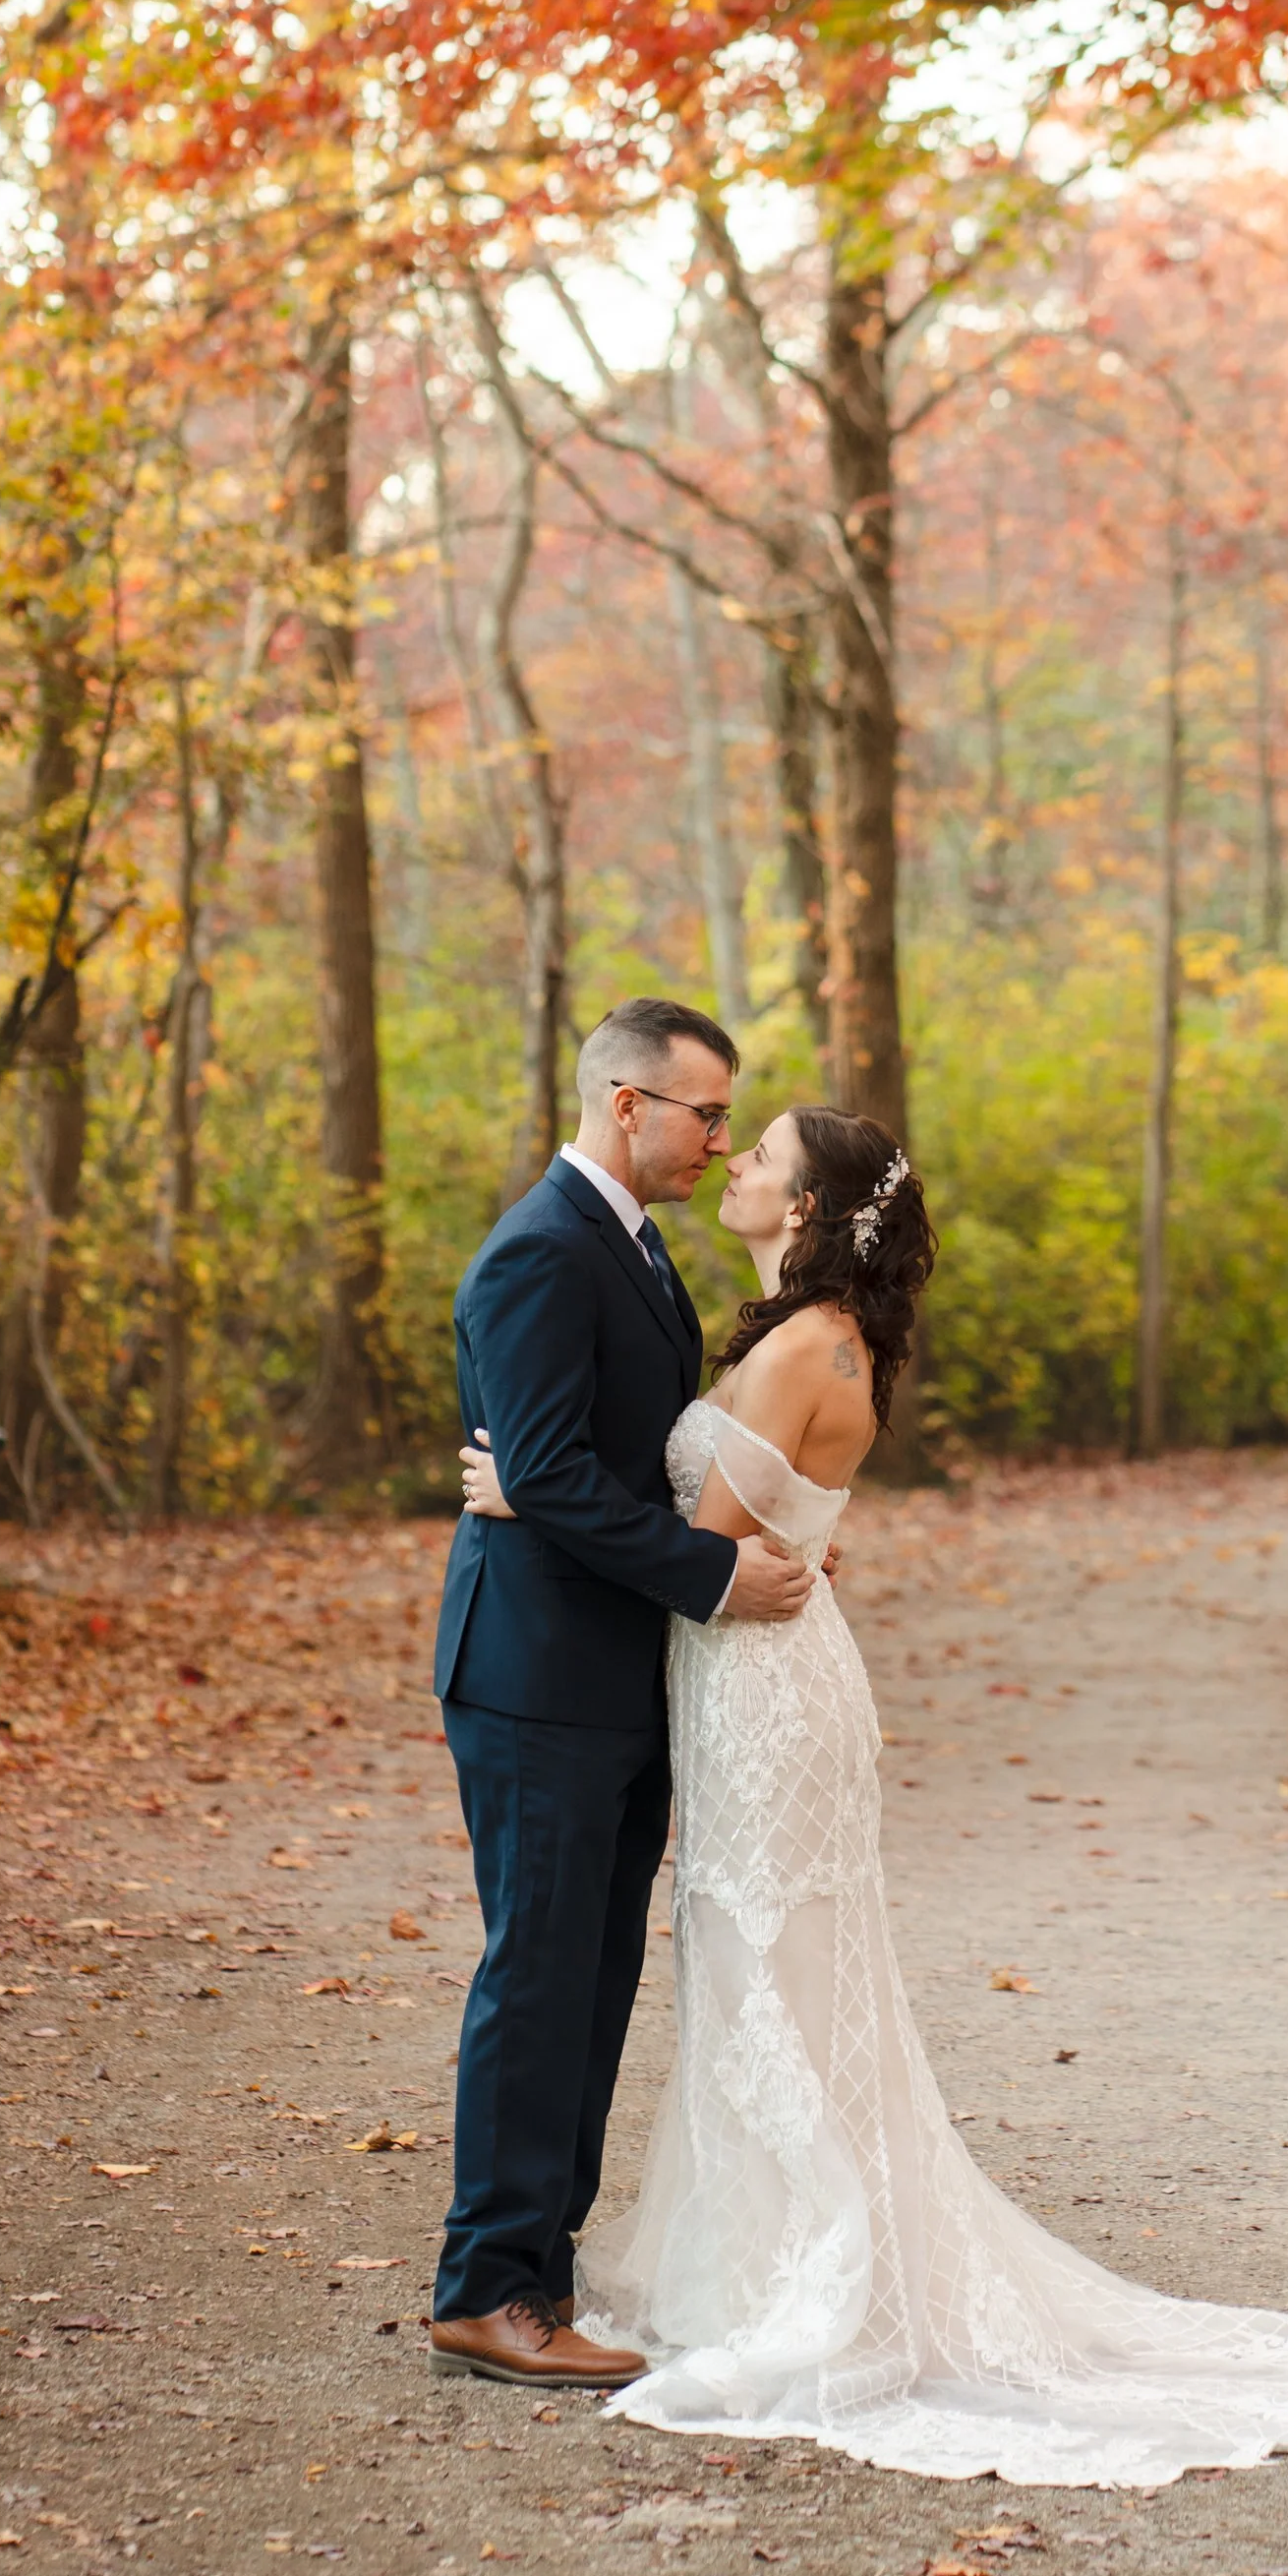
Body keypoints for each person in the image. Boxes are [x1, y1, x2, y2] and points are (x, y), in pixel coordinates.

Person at [461, 1101, 1288, 2486]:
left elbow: (699, 1540)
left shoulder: (802, 1346)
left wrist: (524, 1498)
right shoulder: (813, 1335)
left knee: (770, 1975)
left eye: (763, 1155)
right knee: (766, 1971)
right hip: (759, 1682)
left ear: (807, 1209)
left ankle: (816, 2281)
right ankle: (779, 2260)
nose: (735, 1162)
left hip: (765, 1691)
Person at [429, 997, 816, 2391]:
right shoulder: (541, 1249)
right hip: (536, 1679)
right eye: (708, 1112)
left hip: (613, 1675)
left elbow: (569, 1463)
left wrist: (543, 1488)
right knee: (539, 1978)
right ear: (625, 1101)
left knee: (594, 1980)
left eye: (729, 1119)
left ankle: (540, 2267)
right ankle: (485, 2287)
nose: (721, 1137)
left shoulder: (635, 1250)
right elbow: (549, 1465)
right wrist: (713, 1576)